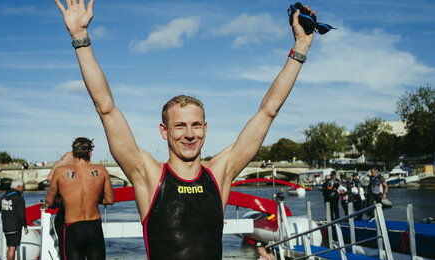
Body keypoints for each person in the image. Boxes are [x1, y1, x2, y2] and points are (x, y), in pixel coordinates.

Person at [54, 0, 315, 259]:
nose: (189, 134)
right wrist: (80, 37)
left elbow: (268, 110)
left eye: (195, 125)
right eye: (179, 126)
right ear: (164, 131)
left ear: (204, 128)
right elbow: (106, 108)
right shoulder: (148, 176)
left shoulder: (219, 174)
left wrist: (300, 48)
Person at [45, 137, 114, 260]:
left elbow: (49, 202)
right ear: (90, 153)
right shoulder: (101, 170)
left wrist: (66, 199)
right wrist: (93, 199)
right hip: (94, 227)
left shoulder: (60, 172)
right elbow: (110, 200)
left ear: (73, 153)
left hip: (73, 227)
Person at [46, 151, 75, 260]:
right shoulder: (69, 156)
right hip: (65, 214)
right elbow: (50, 177)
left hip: (72, 214)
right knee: (66, 251)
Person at [0, 179, 29, 260]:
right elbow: (21, 215)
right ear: (18, 187)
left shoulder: (5, 196)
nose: (23, 189)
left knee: (10, 247)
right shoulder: (19, 198)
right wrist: (25, 226)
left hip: (6, 226)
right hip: (15, 226)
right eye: (22, 187)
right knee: (12, 248)